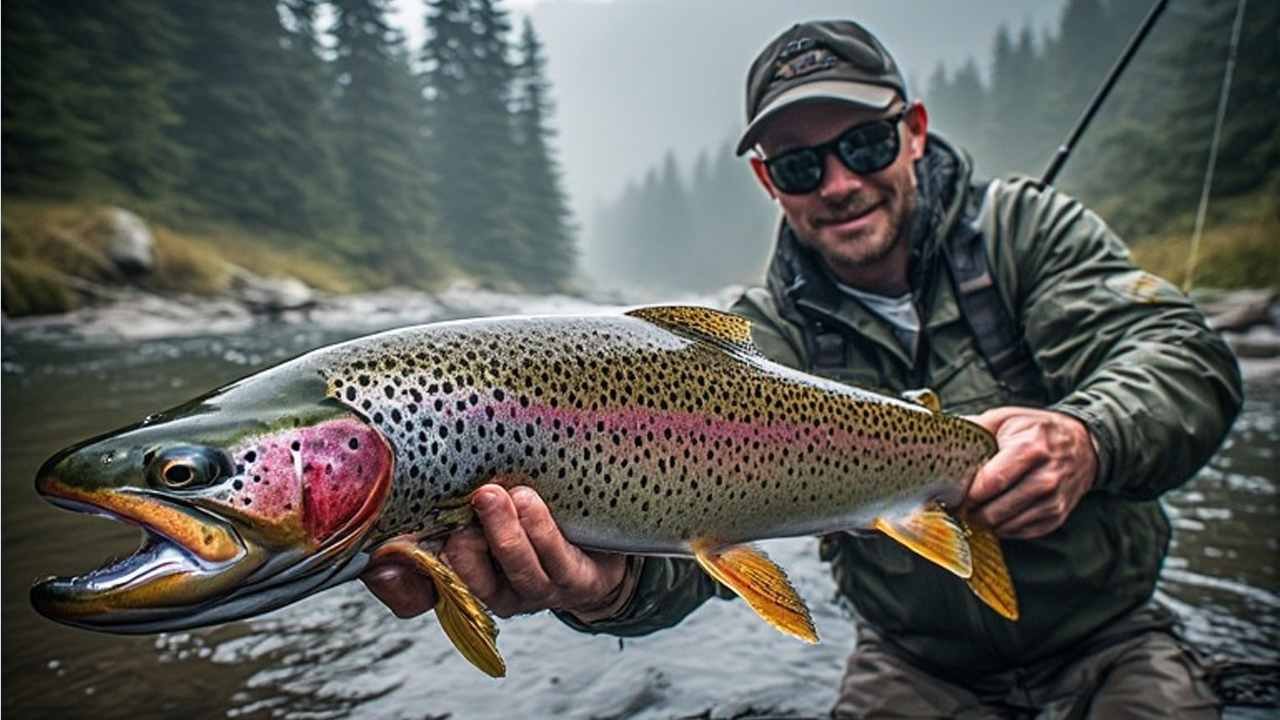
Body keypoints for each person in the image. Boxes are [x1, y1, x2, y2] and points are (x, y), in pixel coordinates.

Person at [362, 19, 1243, 718]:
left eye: (861, 145)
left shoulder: (1026, 233)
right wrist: (609, 588)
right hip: (912, 665)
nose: (836, 183)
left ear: (913, 131)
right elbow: (691, 542)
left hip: (1111, 639)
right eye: (798, 164)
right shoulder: (747, 346)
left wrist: (1088, 437)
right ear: (767, 182)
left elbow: (1182, 357)